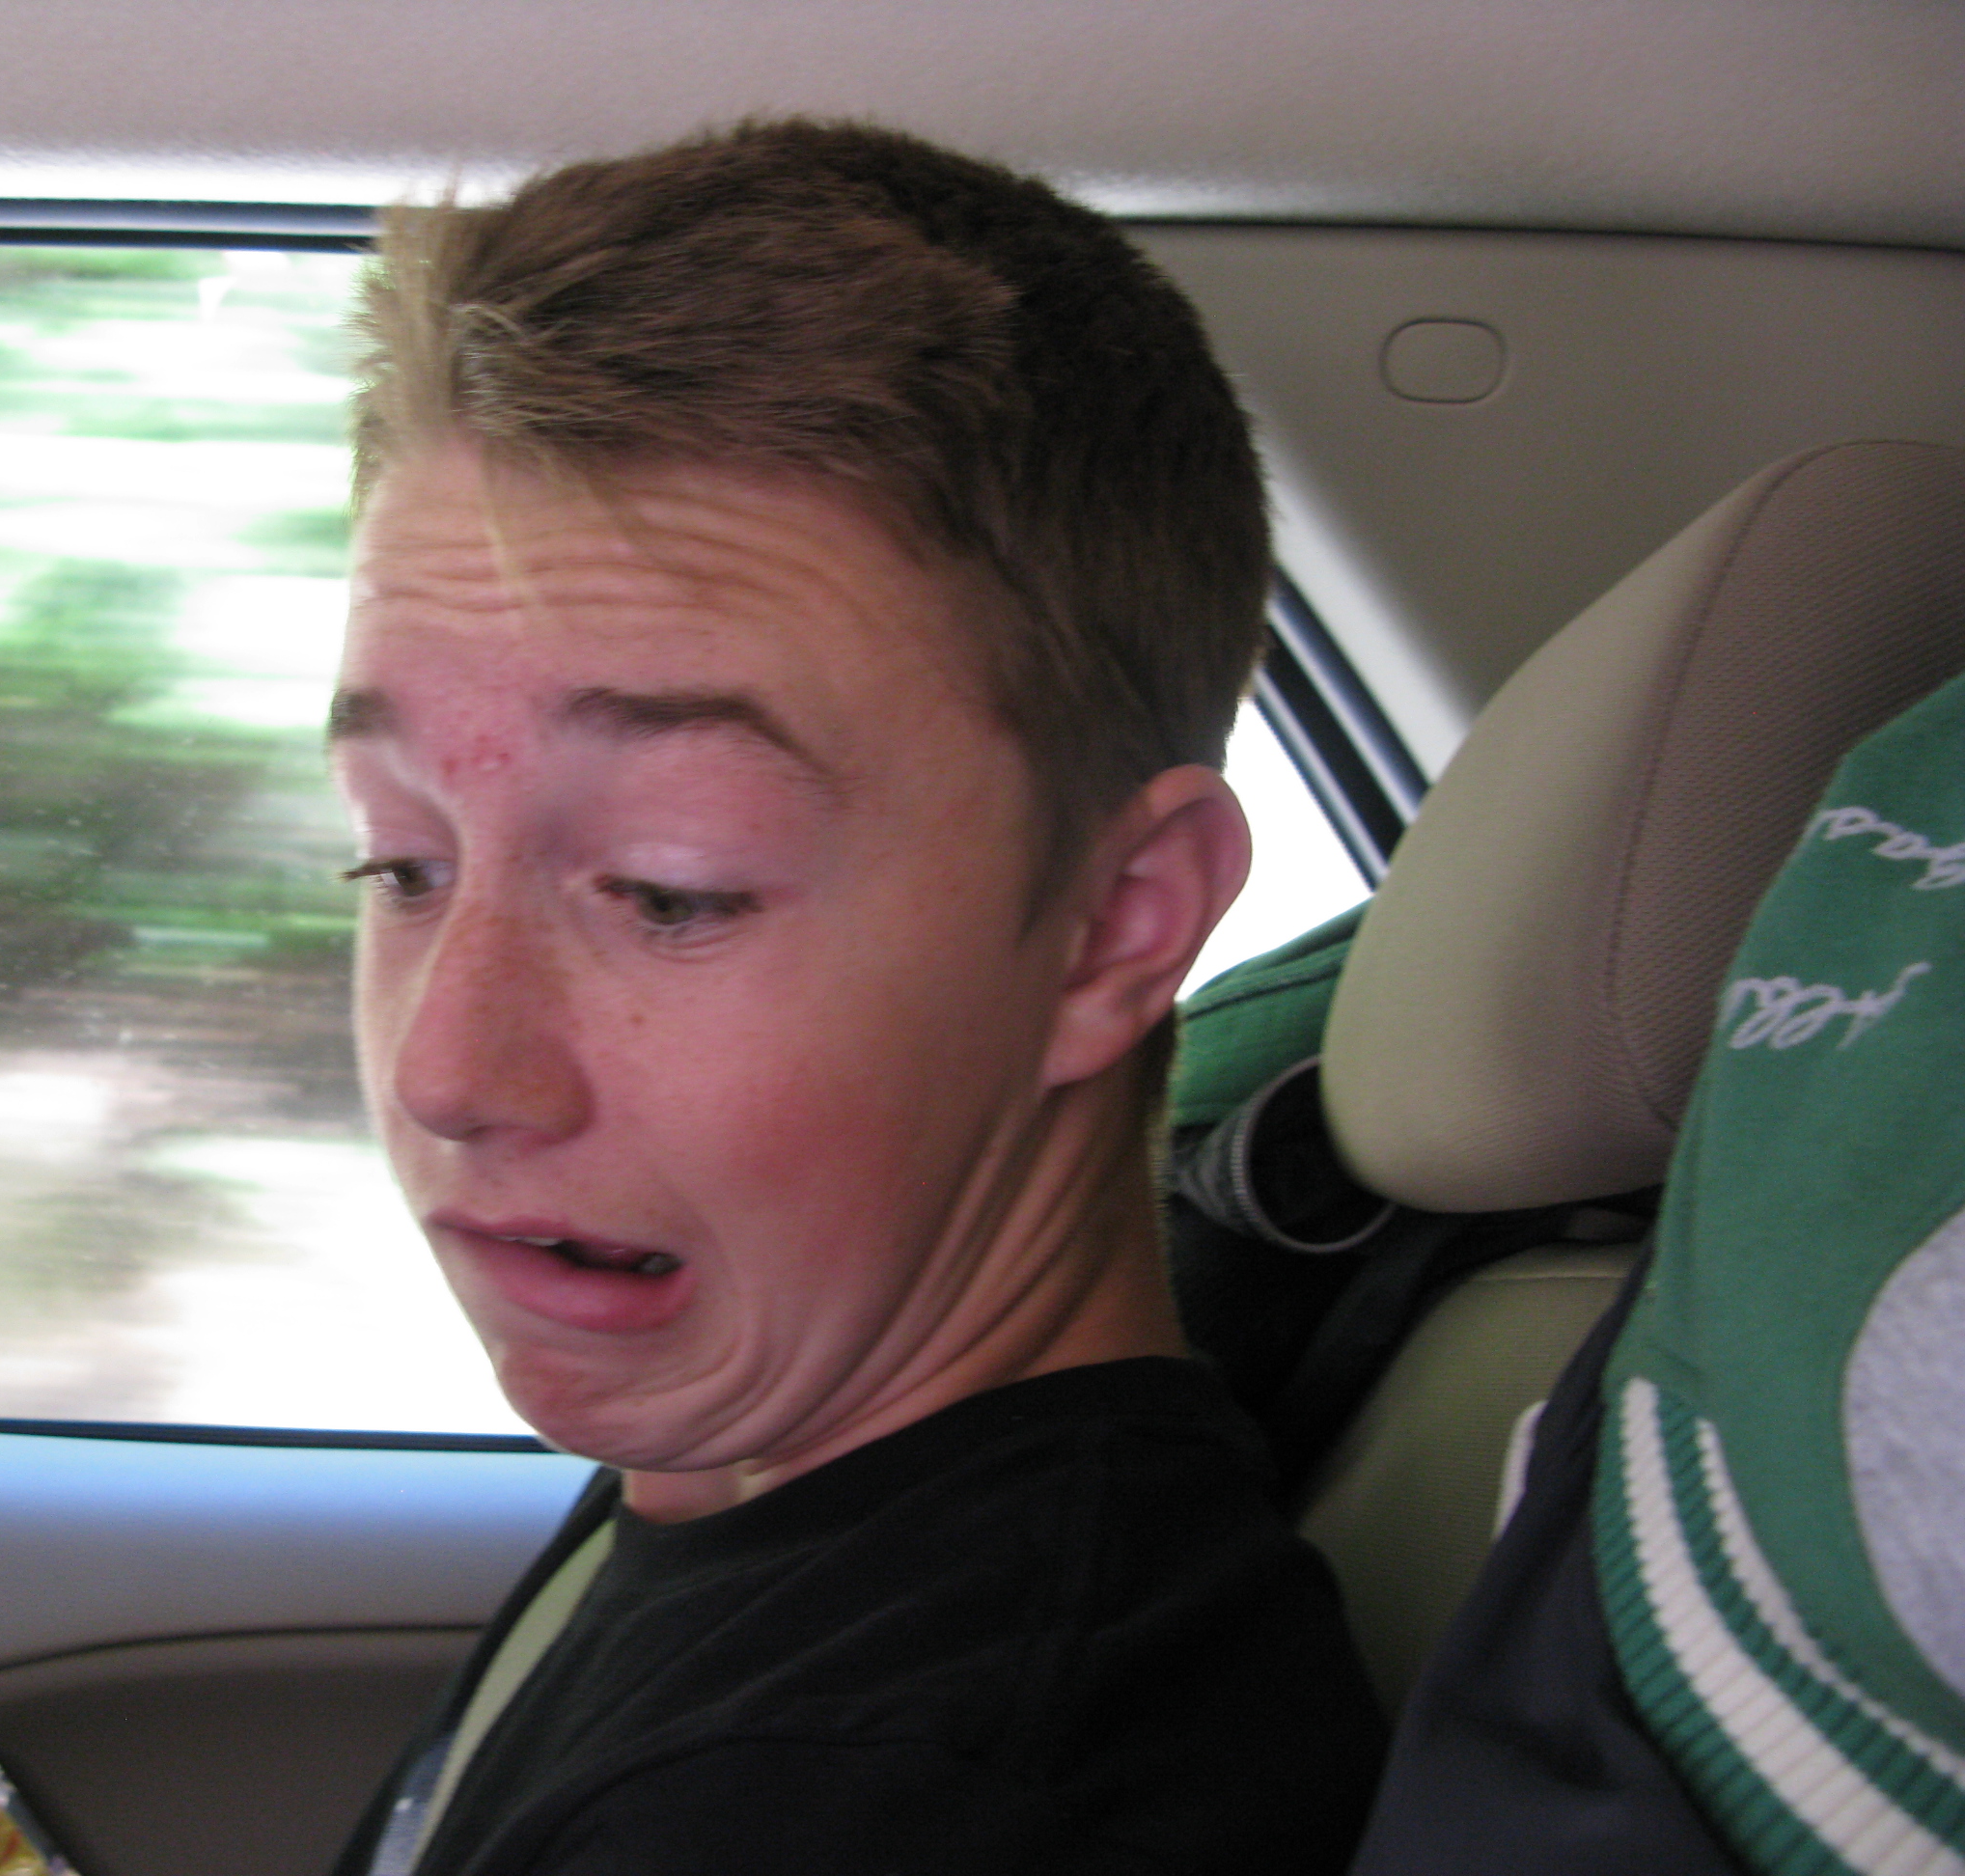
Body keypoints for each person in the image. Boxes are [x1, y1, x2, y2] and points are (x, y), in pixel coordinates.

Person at [321, 118, 1386, 1876]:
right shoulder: (754, 1484)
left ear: (1114, 926)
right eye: (400, 863)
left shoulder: (899, 1796)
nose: (448, 1068)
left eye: (674, 888)